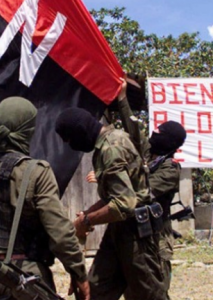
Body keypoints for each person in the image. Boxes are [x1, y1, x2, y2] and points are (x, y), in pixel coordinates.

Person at [0, 97, 89, 300]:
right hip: (27, 280)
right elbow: (59, 231)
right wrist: (78, 272)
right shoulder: (37, 172)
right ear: (27, 131)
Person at [55, 107, 166, 300]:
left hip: (137, 235)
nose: (71, 146)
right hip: (120, 231)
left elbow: (124, 204)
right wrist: (87, 214)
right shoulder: (109, 141)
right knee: (92, 292)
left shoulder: (111, 148)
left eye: (70, 140)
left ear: (81, 131)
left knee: (150, 295)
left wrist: (86, 222)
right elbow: (114, 196)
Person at [117, 79, 185, 298]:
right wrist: (122, 99)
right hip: (136, 236)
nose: (153, 135)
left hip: (156, 239)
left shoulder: (170, 170)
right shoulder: (148, 153)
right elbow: (133, 129)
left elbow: (143, 193)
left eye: (159, 133)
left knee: (155, 292)